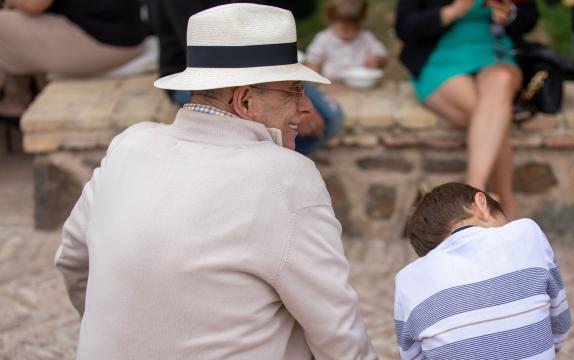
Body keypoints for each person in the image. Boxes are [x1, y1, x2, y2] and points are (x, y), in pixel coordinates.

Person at [55, 4, 377, 359]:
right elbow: (339, 335)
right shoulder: (285, 177)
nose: (304, 106)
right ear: (245, 100)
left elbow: (72, 261)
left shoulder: (129, 145)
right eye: (295, 90)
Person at [395, 0, 539, 220]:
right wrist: (453, 11)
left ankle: (472, 193)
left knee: (500, 83)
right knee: (493, 118)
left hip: (494, 53)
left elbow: (529, 17)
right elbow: (405, 27)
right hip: (439, 59)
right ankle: (505, 207)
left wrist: (508, 13)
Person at [395, 182, 571, 359]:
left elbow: (412, 356)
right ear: (480, 204)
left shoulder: (407, 280)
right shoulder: (526, 232)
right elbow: (559, 325)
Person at [150, 0, 343, 156]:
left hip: (269, 68)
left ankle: (277, 165)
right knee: (239, 128)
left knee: (330, 117)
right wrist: (282, 104)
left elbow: (301, 10)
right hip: (197, 74)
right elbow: (202, 49)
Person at [0, 0, 147, 118]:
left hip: (104, 41)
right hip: (123, 32)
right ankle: (16, 99)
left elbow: (33, 4)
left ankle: (17, 99)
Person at [304, 0, 388, 80]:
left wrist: (376, 59)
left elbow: (382, 55)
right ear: (331, 21)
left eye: (356, 28)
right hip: (331, 86)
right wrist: (314, 77)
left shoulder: (366, 38)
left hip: (360, 87)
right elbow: (312, 62)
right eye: (345, 29)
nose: (351, 32)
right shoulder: (324, 39)